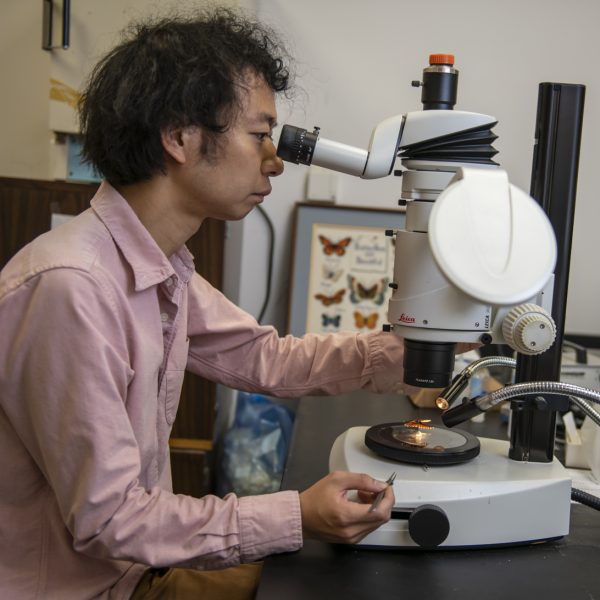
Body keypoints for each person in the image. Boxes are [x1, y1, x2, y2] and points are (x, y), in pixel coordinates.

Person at [0, 8, 418, 600]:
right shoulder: (73, 287)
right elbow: (110, 520)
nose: (274, 160)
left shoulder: (160, 265)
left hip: (137, 570)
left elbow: (265, 360)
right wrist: (296, 515)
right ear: (179, 137)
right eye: (259, 134)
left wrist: (410, 356)